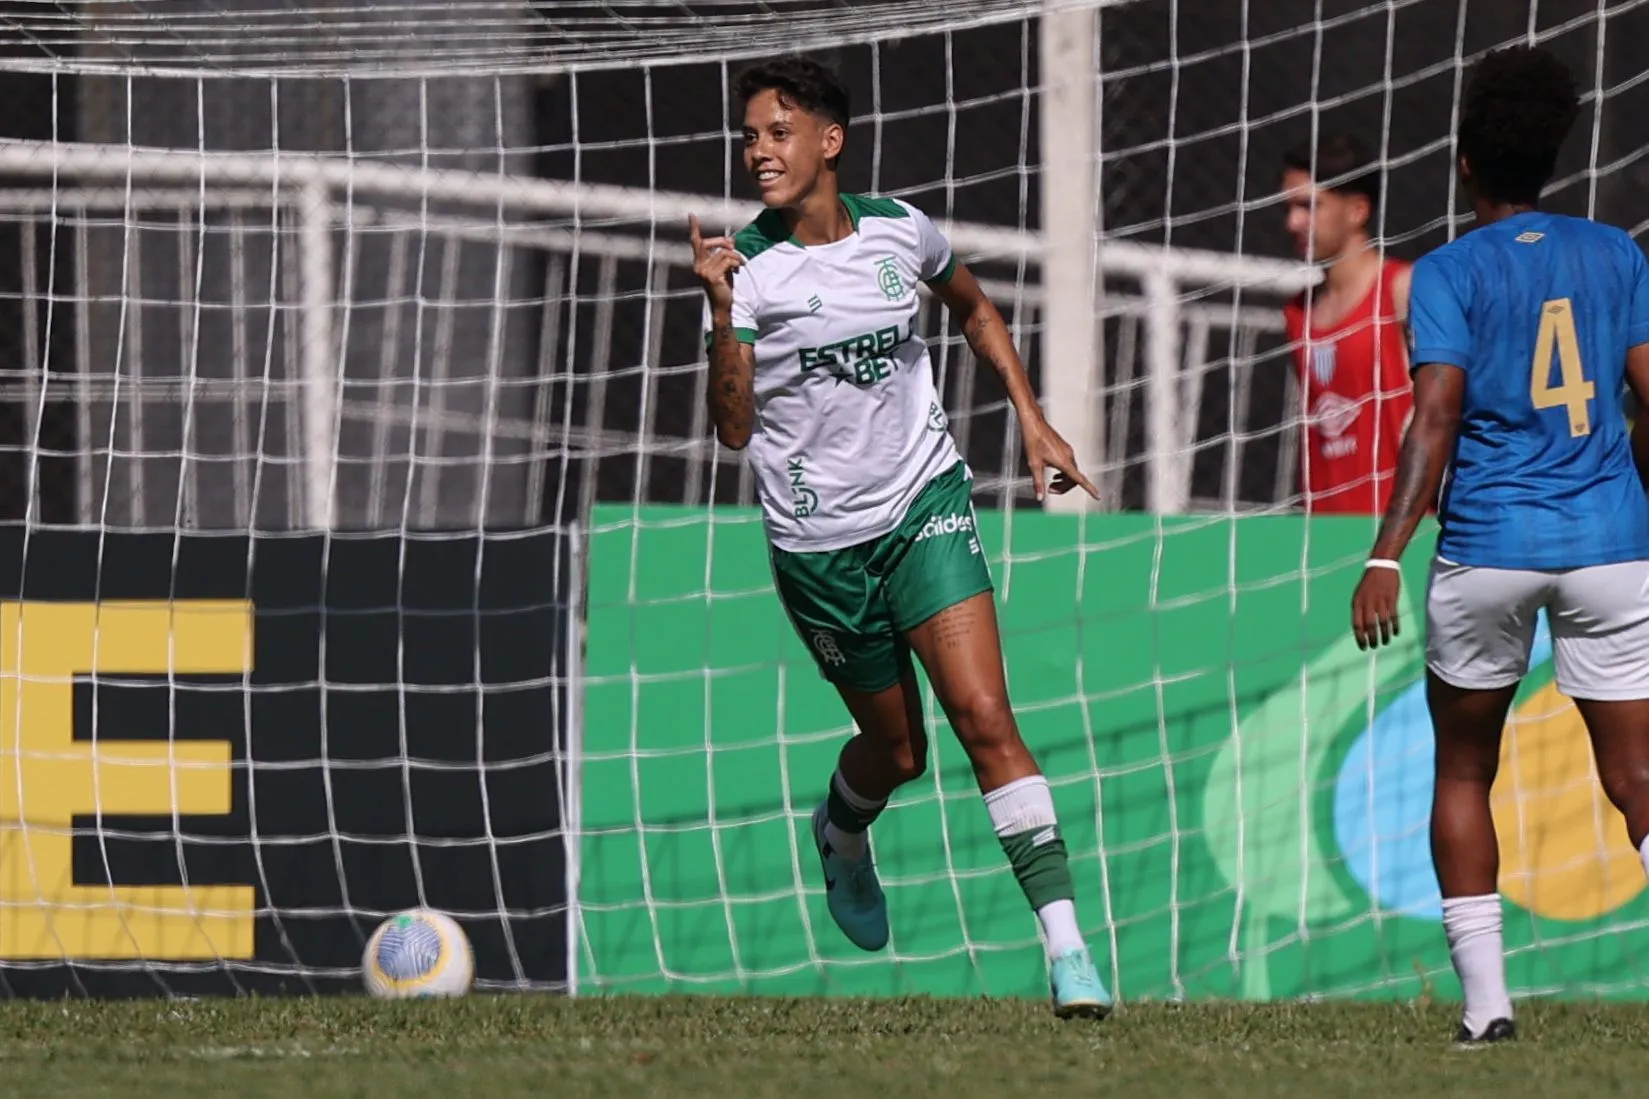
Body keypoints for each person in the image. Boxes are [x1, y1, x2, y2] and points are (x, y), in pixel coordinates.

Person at [688, 55, 1111, 1018]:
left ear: (828, 142)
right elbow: (734, 428)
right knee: (902, 751)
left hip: (926, 504)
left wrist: (1034, 420)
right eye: (749, 134)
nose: (757, 150)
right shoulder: (747, 269)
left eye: (777, 130)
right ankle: (840, 831)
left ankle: (1069, 952)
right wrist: (720, 312)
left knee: (985, 718)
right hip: (819, 543)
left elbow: (969, 306)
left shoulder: (900, 230)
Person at [1350, 45, 1649, 1044]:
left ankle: (1484, 1008)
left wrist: (1386, 549)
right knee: (1635, 776)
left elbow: (1431, 415)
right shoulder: (1617, 254)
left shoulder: (1442, 271)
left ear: (1464, 162)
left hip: (1486, 546)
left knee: (1462, 770)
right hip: (1609, 541)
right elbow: (1646, 394)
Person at [1281, 133, 1415, 514]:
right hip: (1323, 535)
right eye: (1288, 208)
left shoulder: (1404, 288)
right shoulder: (1297, 313)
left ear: (1357, 210)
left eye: (1309, 206)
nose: (1293, 222)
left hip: (1402, 529)